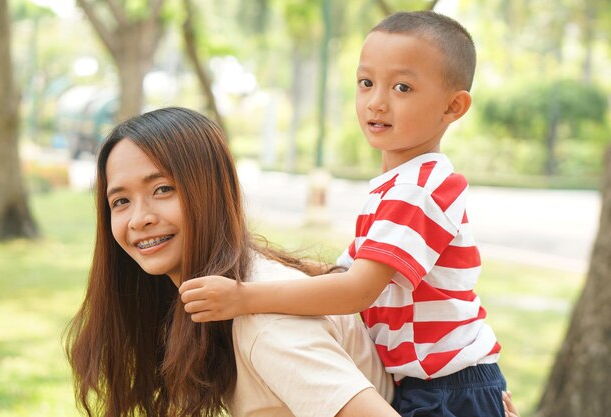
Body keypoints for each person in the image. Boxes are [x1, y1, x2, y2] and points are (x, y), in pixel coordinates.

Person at [180, 10, 507, 416]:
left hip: (448, 388)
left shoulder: (418, 190)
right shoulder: (396, 186)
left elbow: (355, 291)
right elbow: (340, 274)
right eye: (366, 83)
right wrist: (256, 260)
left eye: (402, 87)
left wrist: (243, 298)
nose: (376, 102)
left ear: (453, 107)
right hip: (428, 383)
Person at [64, 106, 400, 417]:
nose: (138, 219)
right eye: (120, 201)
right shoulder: (215, 299)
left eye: (163, 189)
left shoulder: (267, 326)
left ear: (211, 191)